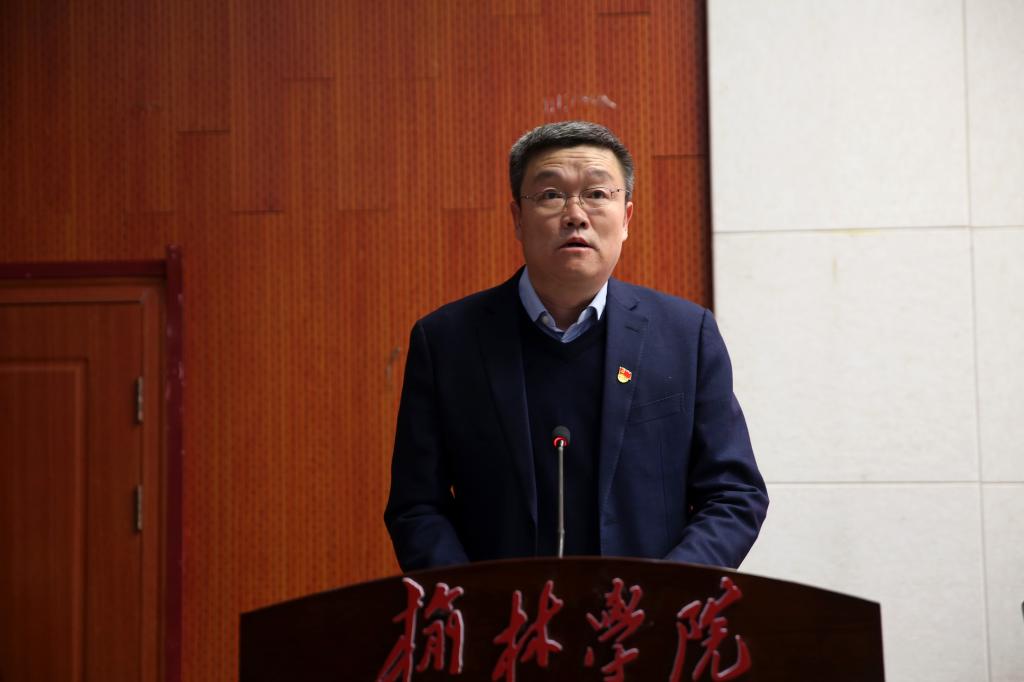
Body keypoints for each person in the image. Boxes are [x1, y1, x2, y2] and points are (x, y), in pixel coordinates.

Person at [384, 121, 767, 572]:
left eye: (597, 194)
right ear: (517, 219)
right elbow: (417, 506)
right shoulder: (447, 341)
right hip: (503, 612)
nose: (575, 215)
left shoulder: (685, 335)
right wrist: (473, 600)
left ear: (626, 219)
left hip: (644, 610)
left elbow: (733, 494)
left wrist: (668, 591)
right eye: (551, 195)